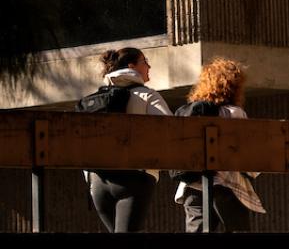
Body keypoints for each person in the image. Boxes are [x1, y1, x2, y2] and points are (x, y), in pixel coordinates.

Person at [85, 47, 172, 232]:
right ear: (132, 67)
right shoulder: (147, 95)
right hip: (134, 178)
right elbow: (172, 130)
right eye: (144, 61)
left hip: (98, 182)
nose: (149, 65)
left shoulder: (97, 98)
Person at [174, 58, 265, 232]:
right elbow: (246, 153)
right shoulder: (234, 113)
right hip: (226, 186)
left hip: (191, 186)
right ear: (234, 86)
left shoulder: (191, 113)